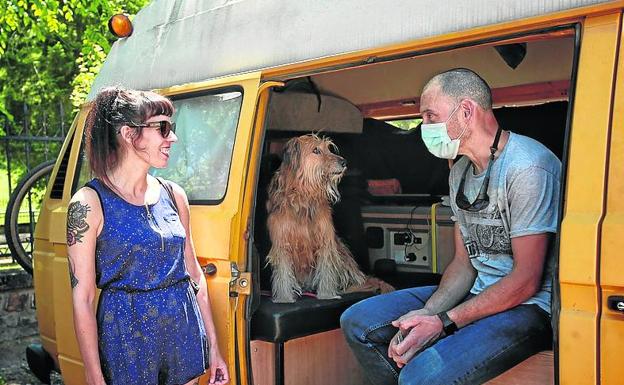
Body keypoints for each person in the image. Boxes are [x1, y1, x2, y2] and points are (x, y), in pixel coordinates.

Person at [341, 68, 560, 385]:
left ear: (467, 111)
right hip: (476, 292)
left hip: (527, 307)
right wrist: (428, 315)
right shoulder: (459, 174)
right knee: (358, 322)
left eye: (430, 116)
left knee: (420, 377)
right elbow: (463, 264)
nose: (423, 128)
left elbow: (526, 280)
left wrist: (445, 322)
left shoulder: (527, 166)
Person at [67, 87, 229, 385]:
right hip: (127, 339)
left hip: (183, 333)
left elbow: (193, 276)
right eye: (163, 128)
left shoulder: (173, 194)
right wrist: (93, 375)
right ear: (129, 134)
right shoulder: (89, 202)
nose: (173, 138)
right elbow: (83, 297)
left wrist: (214, 350)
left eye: (172, 128)